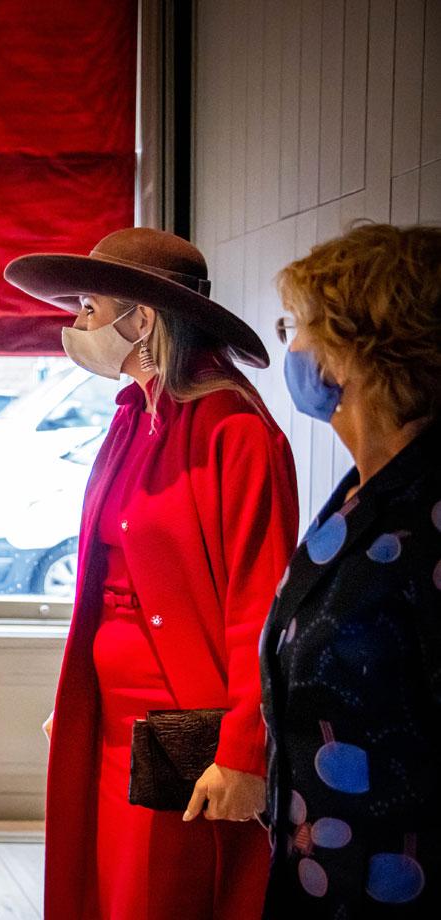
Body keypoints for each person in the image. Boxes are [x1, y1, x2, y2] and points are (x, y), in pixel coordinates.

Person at [4, 227, 299, 919]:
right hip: (113, 716)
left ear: (141, 318)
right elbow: (106, 586)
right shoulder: (131, 418)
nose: (77, 322)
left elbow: (261, 604)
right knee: (105, 891)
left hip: (185, 725)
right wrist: (79, 697)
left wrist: (245, 749)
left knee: (165, 895)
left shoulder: (235, 428)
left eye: (89, 304)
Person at [262, 223, 441, 917]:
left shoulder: (426, 511)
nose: (293, 346)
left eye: (300, 325)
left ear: (356, 349)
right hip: (320, 876)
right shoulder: (360, 494)